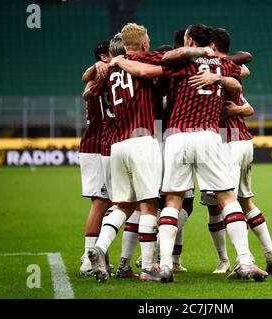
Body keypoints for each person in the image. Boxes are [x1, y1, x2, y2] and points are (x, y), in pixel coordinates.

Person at [110, 23, 268, 283]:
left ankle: (165, 266)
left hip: (177, 136)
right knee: (228, 198)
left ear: (189, 41)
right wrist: (218, 74)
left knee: (173, 199)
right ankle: (245, 261)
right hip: (209, 136)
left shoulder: (180, 64)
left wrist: (119, 61)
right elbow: (239, 83)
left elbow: (148, 68)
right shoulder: (224, 64)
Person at [84, 23, 214, 283]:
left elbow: (88, 91)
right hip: (142, 139)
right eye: (149, 40)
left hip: (117, 145)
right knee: (149, 205)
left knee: (123, 204)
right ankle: (148, 268)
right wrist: (205, 51)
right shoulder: (149, 58)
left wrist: (105, 65)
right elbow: (169, 59)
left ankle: (97, 249)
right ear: (144, 44)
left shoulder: (111, 69)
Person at [202, 28, 272, 275]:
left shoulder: (212, 72)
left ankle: (238, 260)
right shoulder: (231, 70)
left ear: (213, 48)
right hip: (244, 141)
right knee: (245, 200)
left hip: (224, 143)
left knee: (219, 204)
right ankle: (271, 254)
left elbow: (246, 105)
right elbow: (248, 102)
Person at [78, 40, 114, 276]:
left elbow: (85, 84)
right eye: (114, 52)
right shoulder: (104, 78)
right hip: (98, 146)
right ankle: (89, 258)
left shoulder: (99, 77)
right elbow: (87, 87)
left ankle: (97, 255)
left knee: (106, 204)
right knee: (101, 203)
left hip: (97, 145)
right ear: (103, 57)